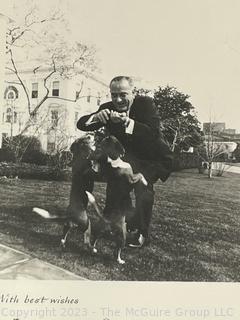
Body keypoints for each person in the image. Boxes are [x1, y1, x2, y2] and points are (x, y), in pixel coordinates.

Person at [77, 76, 173, 246]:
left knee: (144, 191)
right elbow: (82, 124)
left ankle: (142, 233)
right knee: (115, 190)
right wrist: (96, 117)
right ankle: (118, 223)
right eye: (114, 95)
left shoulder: (146, 105)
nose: (118, 100)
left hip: (150, 158)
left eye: (123, 94)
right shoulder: (107, 108)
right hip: (124, 160)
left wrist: (128, 122)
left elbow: (153, 134)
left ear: (133, 92)